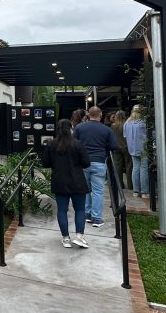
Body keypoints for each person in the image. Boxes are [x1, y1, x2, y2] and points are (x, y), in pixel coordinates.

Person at [40, 119, 91, 248]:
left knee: (62, 210)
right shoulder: (77, 144)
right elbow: (86, 163)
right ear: (70, 129)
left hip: (59, 181)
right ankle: (79, 237)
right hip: (77, 181)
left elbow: (45, 163)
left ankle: (66, 238)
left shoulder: (51, 144)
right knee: (80, 209)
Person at [73, 106, 120, 228]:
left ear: (88, 115)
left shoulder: (79, 127)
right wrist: (104, 147)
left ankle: (86, 214)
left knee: (85, 189)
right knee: (98, 191)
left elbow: (73, 143)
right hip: (99, 161)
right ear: (100, 115)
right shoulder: (106, 129)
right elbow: (115, 146)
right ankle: (97, 218)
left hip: (83, 162)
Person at [124, 105, 149, 199]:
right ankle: (144, 192)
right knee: (143, 169)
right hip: (143, 148)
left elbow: (125, 136)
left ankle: (136, 191)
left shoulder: (127, 123)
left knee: (135, 168)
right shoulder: (143, 123)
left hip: (132, 148)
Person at [111, 110, 132, 192]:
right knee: (129, 166)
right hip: (126, 147)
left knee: (118, 166)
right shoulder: (127, 125)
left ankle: (119, 184)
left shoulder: (113, 126)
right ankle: (130, 184)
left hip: (117, 148)